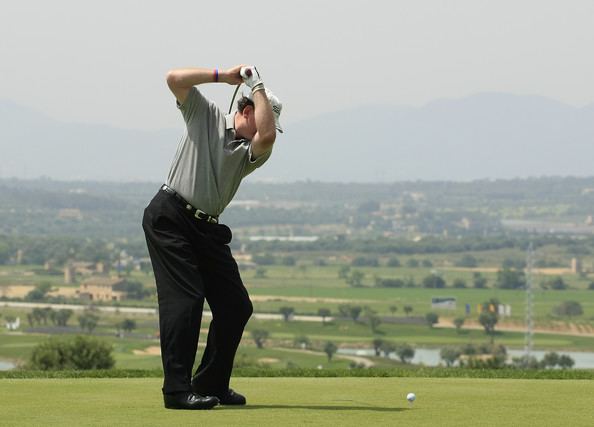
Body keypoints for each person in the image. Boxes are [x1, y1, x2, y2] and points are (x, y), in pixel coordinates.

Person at [142, 64, 282, 410]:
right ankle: (177, 391)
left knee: (236, 305)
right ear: (245, 111)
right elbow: (173, 79)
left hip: (207, 229)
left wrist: (257, 84)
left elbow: (267, 137)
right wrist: (222, 76)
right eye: (261, 118)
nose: (265, 130)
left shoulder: (251, 152)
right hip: (170, 217)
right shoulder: (204, 114)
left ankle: (211, 382)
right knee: (186, 300)